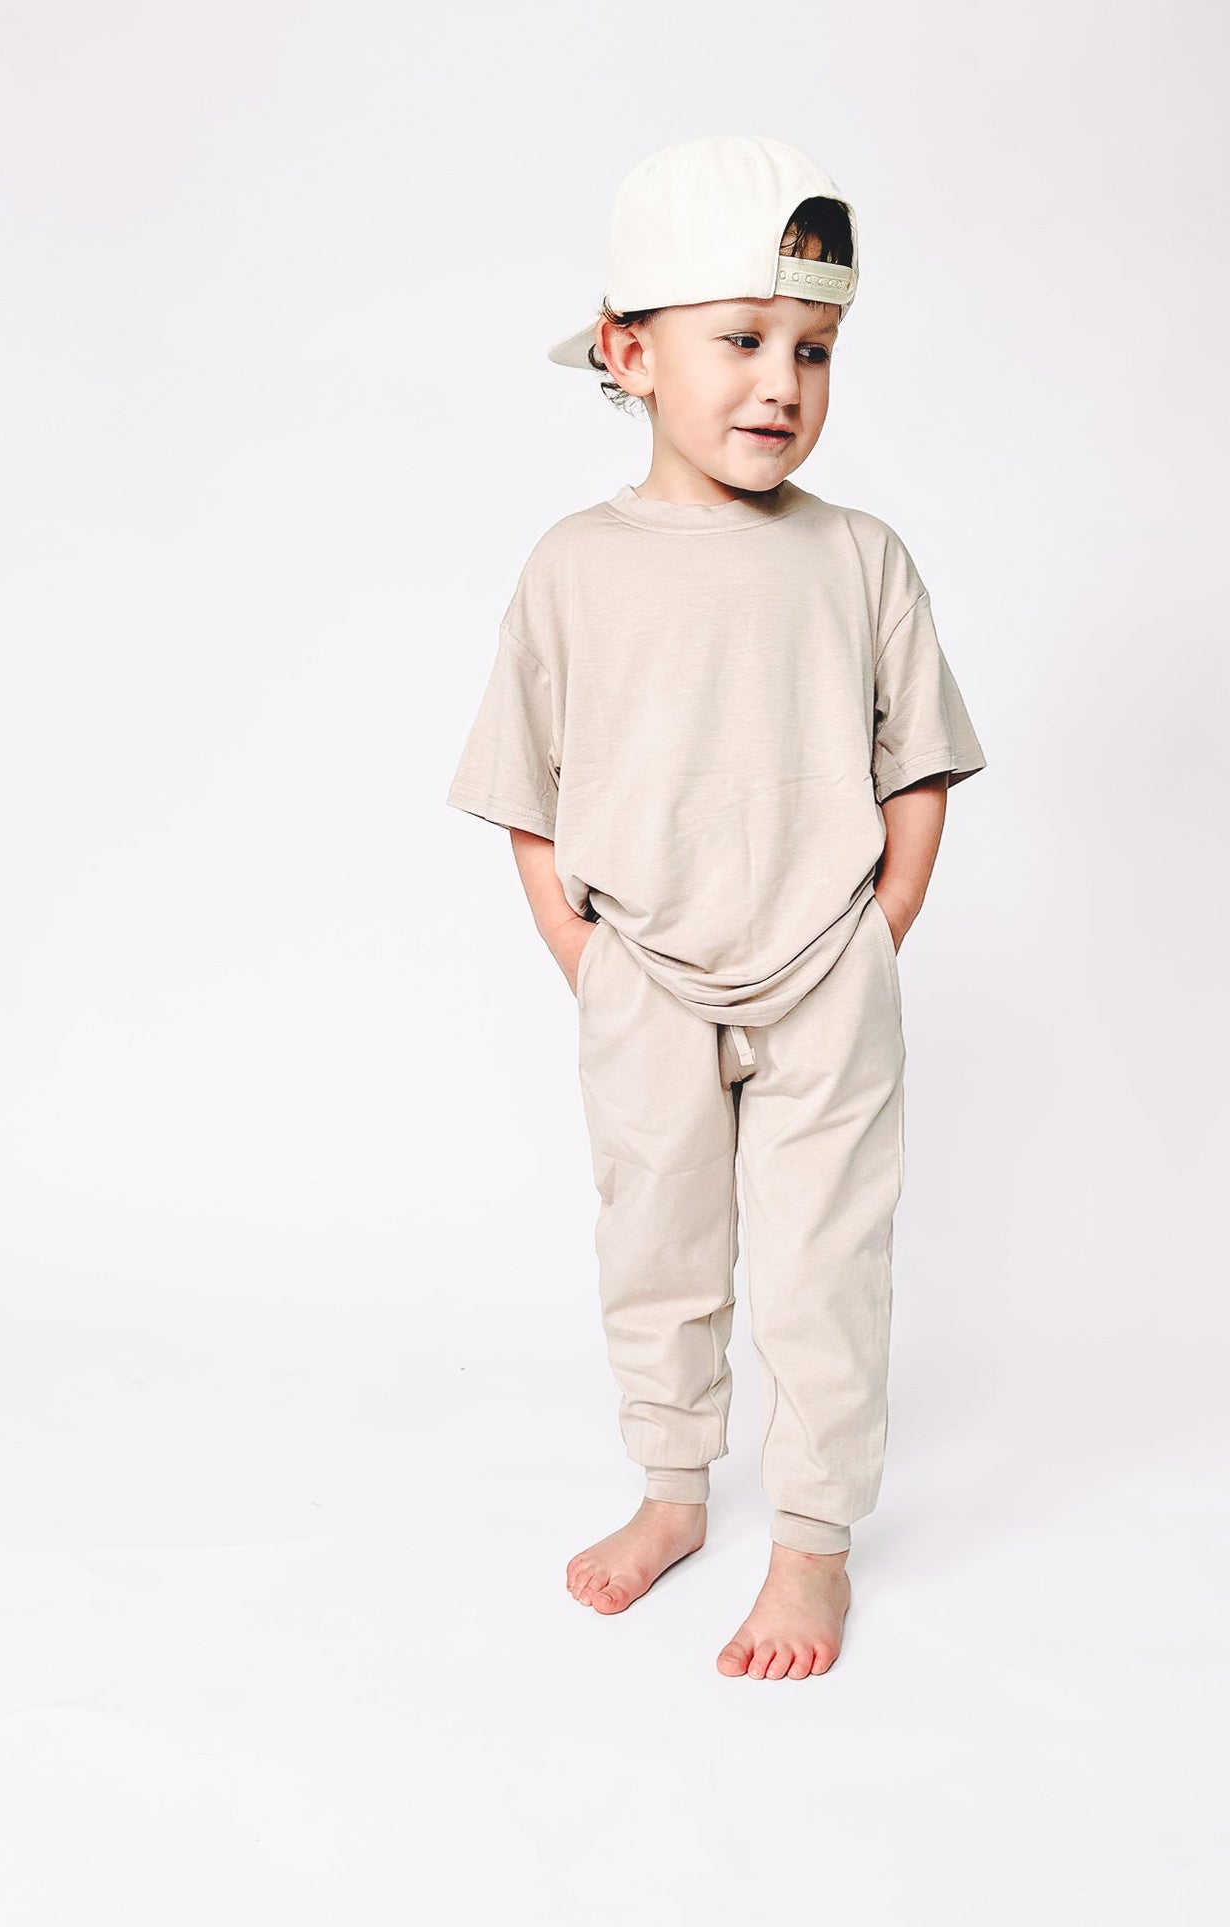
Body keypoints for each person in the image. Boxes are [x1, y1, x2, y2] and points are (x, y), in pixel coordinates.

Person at [446, 134, 986, 1679]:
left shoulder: (859, 558)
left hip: (825, 968)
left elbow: (915, 766)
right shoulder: (572, 566)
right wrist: (584, 956)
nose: (780, 384)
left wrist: (872, 935)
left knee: (825, 1262)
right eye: (739, 340)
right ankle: (671, 1490)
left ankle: (812, 1542)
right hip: (642, 972)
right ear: (626, 353)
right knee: (657, 1247)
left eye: (811, 350)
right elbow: (527, 786)